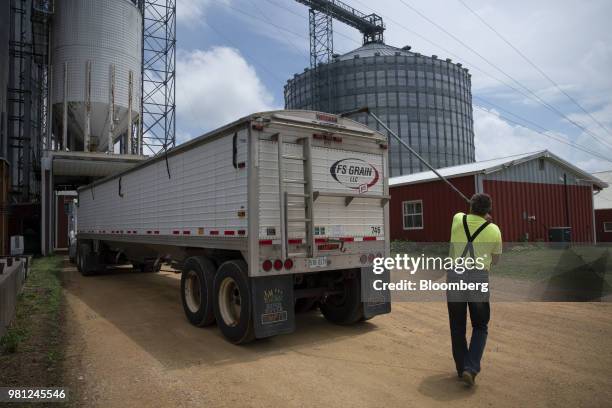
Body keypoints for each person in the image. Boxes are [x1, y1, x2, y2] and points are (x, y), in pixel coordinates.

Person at [447, 193, 502, 387]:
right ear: (488, 210)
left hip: (455, 275)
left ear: (470, 207)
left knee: (457, 326)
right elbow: (495, 260)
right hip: (478, 277)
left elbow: (464, 215)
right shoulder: (494, 230)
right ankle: (471, 367)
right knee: (480, 326)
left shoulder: (457, 218)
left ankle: (462, 368)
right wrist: (486, 222)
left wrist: (478, 215)